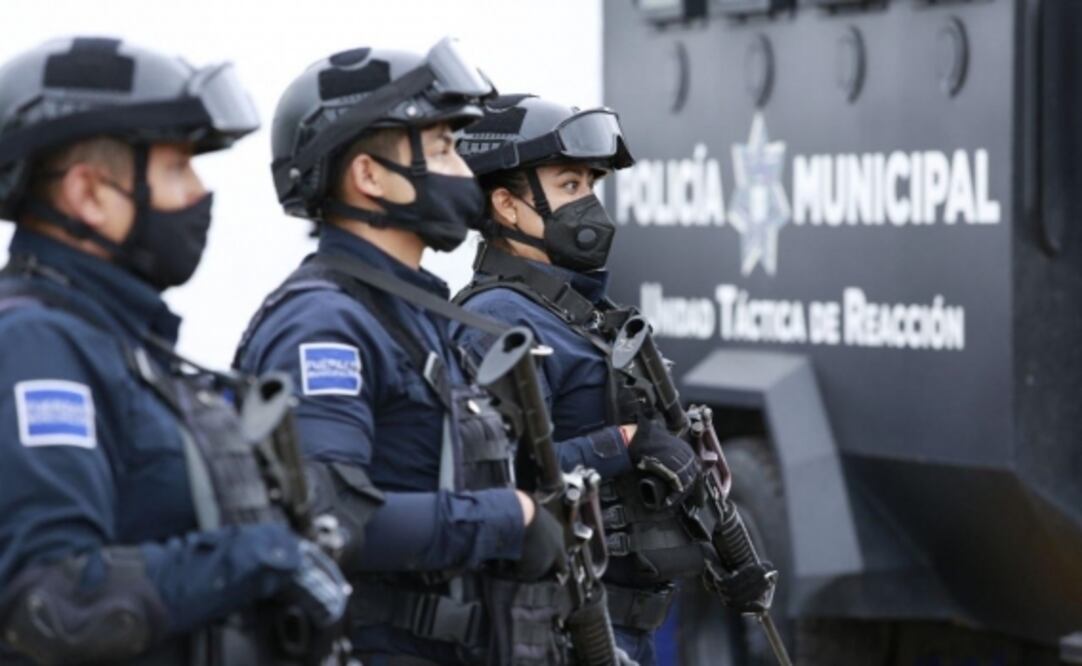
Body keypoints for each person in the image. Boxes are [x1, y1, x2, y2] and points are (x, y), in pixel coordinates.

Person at [235, 39, 626, 665]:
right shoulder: (326, 325)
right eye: (442, 148)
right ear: (368, 176)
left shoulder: (418, 314)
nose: (461, 171)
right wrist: (511, 517)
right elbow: (330, 519)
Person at [0, 37, 350, 665]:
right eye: (176, 169)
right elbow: (57, 606)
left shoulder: (123, 342)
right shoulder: (37, 345)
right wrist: (266, 555)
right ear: (88, 193)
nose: (198, 194)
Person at [453, 94, 776, 665]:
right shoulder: (498, 320)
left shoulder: (577, 311)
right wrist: (626, 444)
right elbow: (504, 479)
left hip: (627, 626)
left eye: (591, 185)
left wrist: (729, 553)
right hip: (564, 626)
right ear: (506, 205)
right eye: (569, 185)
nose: (589, 204)